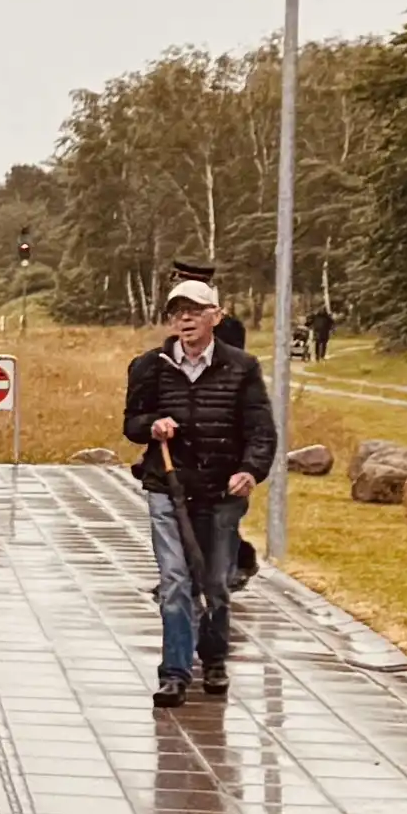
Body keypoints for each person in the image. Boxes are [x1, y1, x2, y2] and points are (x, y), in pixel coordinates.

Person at [122, 271, 277, 706]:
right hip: (167, 485)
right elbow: (132, 423)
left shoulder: (241, 367)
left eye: (195, 311)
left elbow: (261, 430)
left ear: (216, 316)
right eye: (178, 313)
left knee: (215, 581)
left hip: (222, 490)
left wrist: (251, 470)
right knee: (174, 581)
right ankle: (174, 672)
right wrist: (151, 426)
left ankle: (213, 660)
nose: (185, 320)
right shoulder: (150, 366)